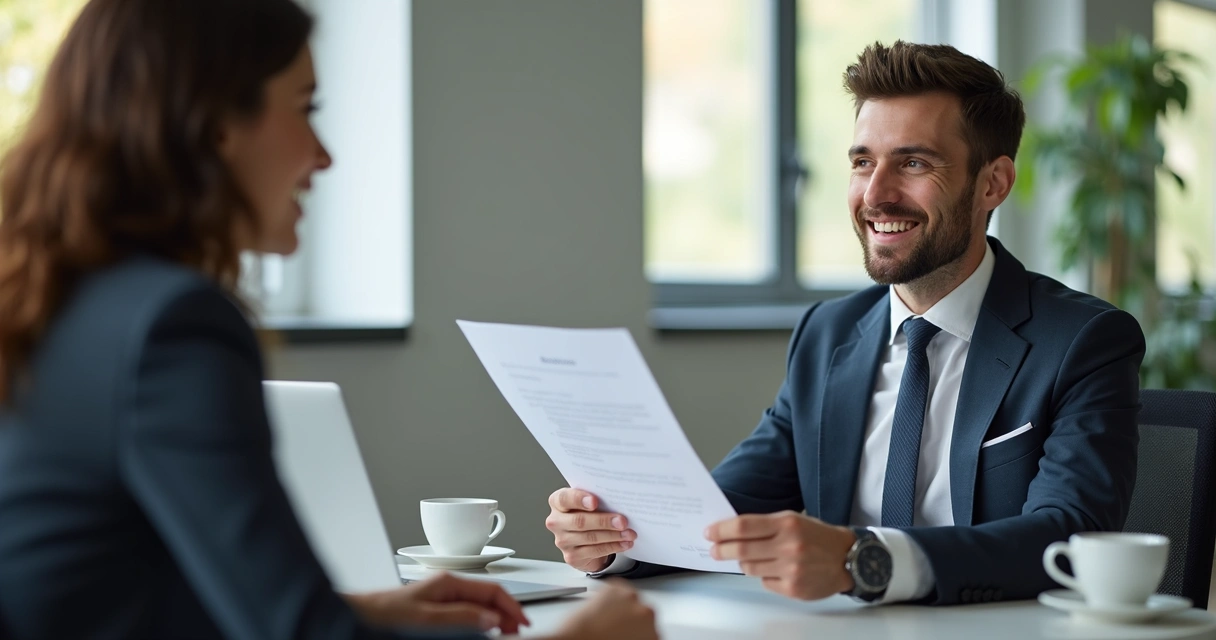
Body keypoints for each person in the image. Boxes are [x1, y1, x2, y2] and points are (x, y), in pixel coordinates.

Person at [0, 1, 659, 638]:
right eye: (304, 109)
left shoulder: (57, 298)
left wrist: (369, 611)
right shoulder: (173, 327)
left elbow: (114, 594)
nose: (323, 154)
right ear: (216, 122)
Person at [545, 41, 1145, 606]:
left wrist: (865, 560)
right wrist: (617, 540)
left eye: (913, 162)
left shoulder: (1082, 341)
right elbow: (720, 517)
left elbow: (1067, 537)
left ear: (994, 183)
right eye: (863, 162)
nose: (876, 194)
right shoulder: (827, 335)